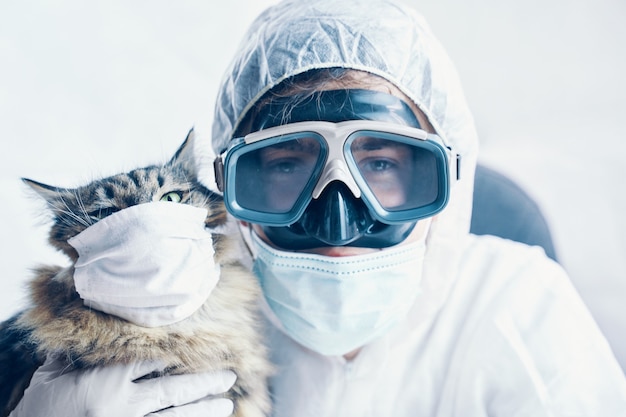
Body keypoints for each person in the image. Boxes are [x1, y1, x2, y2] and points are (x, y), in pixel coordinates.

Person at [10, 0, 626, 416]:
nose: (337, 223)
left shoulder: (521, 307)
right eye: (286, 165)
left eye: (380, 164)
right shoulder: (179, 311)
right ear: (231, 188)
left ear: (446, 178)